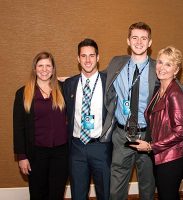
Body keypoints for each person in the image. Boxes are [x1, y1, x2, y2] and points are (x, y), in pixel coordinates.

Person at [104, 22, 157, 200]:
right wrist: (68, 80)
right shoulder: (116, 63)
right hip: (121, 135)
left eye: (144, 38)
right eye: (135, 37)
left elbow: (176, 86)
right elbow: (98, 76)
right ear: (128, 41)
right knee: (115, 191)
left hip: (147, 137)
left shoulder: (158, 69)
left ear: (150, 42)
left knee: (148, 189)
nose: (139, 42)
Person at [131, 46, 183, 200]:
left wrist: (150, 146)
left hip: (172, 158)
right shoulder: (159, 90)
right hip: (160, 155)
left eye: (168, 64)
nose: (162, 67)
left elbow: (180, 132)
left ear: (176, 70)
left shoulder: (175, 94)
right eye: (160, 62)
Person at [13, 52, 68, 200]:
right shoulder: (23, 93)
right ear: (34, 69)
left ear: (53, 68)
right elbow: (18, 127)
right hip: (36, 154)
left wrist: (67, 79)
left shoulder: (64, 89)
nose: (44, 69)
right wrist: (22, 156)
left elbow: (83, 80)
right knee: (38, 194)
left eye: (48, 66)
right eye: (40, 66)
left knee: (57, 194)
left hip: (61, 153)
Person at [63, 38, 112, 200]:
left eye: (91, 55)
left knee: (105, 194)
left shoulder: (109, 82)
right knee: (77, 194)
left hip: (101, 148)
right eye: (83, 56)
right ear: (78, 59)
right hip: (77, 148)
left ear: (98, 57)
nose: (88, 60)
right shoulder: (69, 84)